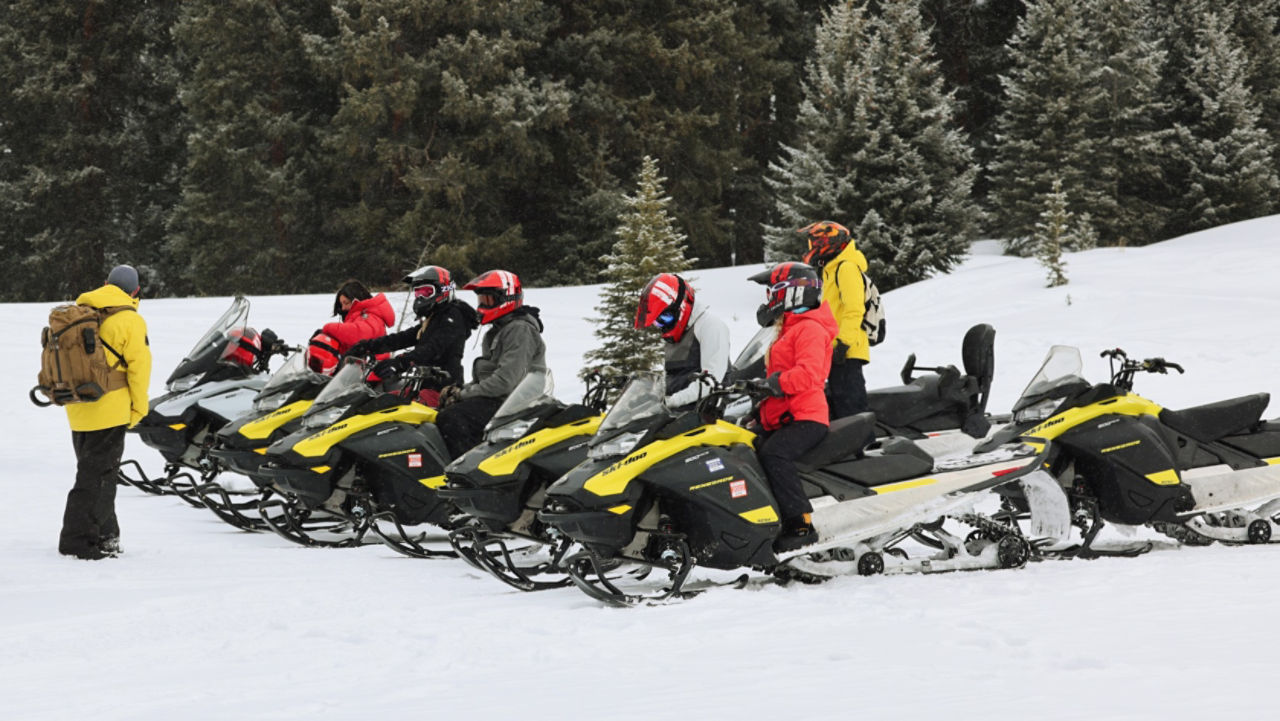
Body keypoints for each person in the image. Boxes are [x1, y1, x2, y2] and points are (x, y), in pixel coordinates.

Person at [60, 264, 152, 560]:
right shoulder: (130, 320)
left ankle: (107, 535)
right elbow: (140, 370)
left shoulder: (80, 312)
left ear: (105, 284)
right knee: (97, 478)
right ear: (136, 291)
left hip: (77, 406)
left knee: (96, 474)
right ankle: (77, 541)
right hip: (110, 409)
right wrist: (138, 408)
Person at [747, 261, 837, 553]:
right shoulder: (788, 328)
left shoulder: (809, 328)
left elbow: (810, 374)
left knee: (775, 455)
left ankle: (801, 524)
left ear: (793, 293)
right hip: (784, 415)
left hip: (806, 417)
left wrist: (774, 383)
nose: (769, 300)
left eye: (774, 292)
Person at [434, 269, 546, 458]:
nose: (482, 306)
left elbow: (505, 381)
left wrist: (463, 394)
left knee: (452, 419)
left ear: (506, 298)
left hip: (514, 403)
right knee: (436, 414)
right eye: (481, 300)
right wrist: (459, 390)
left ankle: (468, 472)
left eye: (488, 300)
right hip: (501, 400)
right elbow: (487, 378)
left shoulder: (519, 330)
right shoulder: (497, 331)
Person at [345, 266, 478, 404]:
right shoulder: (434, 318)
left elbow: (432, 349)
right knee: (373, 404)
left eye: (426, 292)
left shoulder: (453, 317)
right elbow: (403, 338)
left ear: (443, 290)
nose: (420, 297)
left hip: (442, 391)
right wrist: (368, 346)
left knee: (388, 410)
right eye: (418, 293)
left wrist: (400, 362)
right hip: (423, 385)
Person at [800, 220, 870, 419]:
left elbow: (855, 309)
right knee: (839, 406)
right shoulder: (831, 269)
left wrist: (843, 343)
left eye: (816, 241)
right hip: (834, 349)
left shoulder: (845, 268)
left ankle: (861, 447)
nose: (813, 246)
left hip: (845, 350)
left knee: (851, 409)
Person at [634, 273, 730, 409]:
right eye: (657, 322)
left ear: (681, 306)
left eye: (665, 318)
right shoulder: (676, 333)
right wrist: (651, 395)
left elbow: (710, 383)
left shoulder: (710, 326)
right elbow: (673, 378)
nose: (662, 326)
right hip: (679, 413)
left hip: (708, 413)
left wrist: (670, 402)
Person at [318, 279, 395, 355]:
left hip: (373, 365)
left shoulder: (371, 315)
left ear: (357, 299)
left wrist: (328, 328)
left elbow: (358, 334)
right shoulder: (360, 315)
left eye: (346, 303)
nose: (343, 308)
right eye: (341, 304)